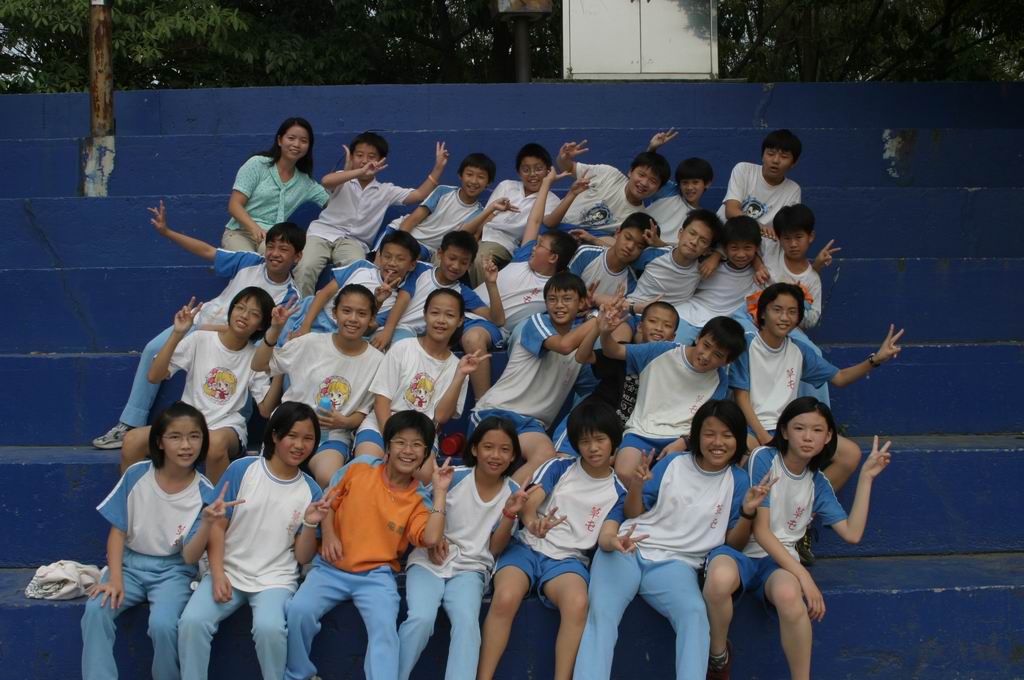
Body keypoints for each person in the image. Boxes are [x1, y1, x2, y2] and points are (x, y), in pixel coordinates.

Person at [574, 400, 775, 680]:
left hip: (677, 564)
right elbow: (633, 512)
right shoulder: (674, 463)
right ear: (697, 436)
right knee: (602, 615)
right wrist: (637, 487)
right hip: (628, 547)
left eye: (727, 435)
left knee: (695, 615)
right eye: (709, 434)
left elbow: (733, 545)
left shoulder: (739, 480)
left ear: (739, 439)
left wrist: (747, 512)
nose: (718, 442)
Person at [702, 398, 893, 680]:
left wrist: (866, 478)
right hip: (740, 553)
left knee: (790, 597)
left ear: (828, 437)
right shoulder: (764, 458)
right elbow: (761, 532)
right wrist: (805, 577)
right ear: (784, 431)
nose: (807, 437)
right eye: (799, 428)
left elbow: (852, 534)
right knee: (719, 580)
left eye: (817, 430)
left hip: (778, 564)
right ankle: (719, 657)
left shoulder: (818, 483)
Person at [92, 204, 302, 451]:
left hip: (236, 340)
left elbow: (261, 338)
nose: (274, 253)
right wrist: (167, 232)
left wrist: (215, 330)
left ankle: (231, 436)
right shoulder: (249, 261)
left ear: (297, 257)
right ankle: (130, 423)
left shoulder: (291, 296)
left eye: (283, 249)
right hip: (199, 322)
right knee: (152, 349)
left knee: (243, 369)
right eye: (271, 246)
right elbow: (207, 251)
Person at [285, 410, 451, 680]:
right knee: (298, 612)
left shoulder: (419, 499)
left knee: (385, 629)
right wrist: (329, 535)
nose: (408, 451)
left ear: (425, 454)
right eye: (400, 442)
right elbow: (328, 502)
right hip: (330, 568)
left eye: (417, 445)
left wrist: (440, 492)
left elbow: (430, 538)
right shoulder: (360, 467)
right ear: (387, 446)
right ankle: (299, 675)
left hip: (376, 575)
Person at [177, 402, 327, 680]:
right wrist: (218, 573)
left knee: (270, 629)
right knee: (192, 623)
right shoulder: (243, 469)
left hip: (275, 579)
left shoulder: (311, 489)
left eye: (308, 438)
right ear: (275, 436)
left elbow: (303, 557)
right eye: (292, 436)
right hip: (228, 571)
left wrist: (309, 523)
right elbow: (218, 526)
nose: (299, 445)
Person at [477, 402, 627, 680]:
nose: (593, 448)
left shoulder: (619, 492)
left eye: (600, 440)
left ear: (613, 441)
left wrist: (614, 542)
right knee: (506, 597)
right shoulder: (559, 466)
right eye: (585, 441)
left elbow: (607, 533)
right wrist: (533, 522)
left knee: (577, 603)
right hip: (526, 547)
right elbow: (531, 501)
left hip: (568, 560)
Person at [81, 402, 217, 680]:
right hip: (129, 565)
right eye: (175, 437)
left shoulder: (205, 491)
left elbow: (190, 557)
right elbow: (117, 532)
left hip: (174, 570)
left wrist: (207, 523)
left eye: (194, 436)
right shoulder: (137, 475)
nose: (186, 445)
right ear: (159, 442)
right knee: (96, 610)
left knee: (163, 625)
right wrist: (114, 579)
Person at [731, 282, 904, 495]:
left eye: (792, 312)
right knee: (754, 459)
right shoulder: (747, 345)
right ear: (763, 313)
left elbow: (840, 378)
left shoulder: (800, 350)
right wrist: (765, 439)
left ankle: (805, 507)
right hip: (750, 428)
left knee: (850, 454)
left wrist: (875, 360)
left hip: (787, 429)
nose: (784, 317)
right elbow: (741, 396)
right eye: (777, 310)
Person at [398, 416, 530, 680]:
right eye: (488, 447)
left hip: (471, 569)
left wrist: (509, 513)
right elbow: (419, 514)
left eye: (505, 449)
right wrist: (432, 536)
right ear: (474, 449)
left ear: (514, 455)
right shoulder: (453, 477)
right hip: (429, 562)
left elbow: (494, 549)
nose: (495, 455)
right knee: (421, 619)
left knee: (468, 624)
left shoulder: (513, 491)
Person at [119, 288, 279, 483]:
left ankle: (218, 502)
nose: (244, 315)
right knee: (132, 440)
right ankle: (134, 500)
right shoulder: (200, 339)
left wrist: (279, 369)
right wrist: (177, 333)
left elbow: (265, 409)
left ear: (261, 325)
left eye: (254, 314)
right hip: (187, 421)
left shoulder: (256, 357)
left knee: (215, 444)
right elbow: (154, 376)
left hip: (226, 427)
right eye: (240, 308)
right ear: (231, 310)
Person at [470, 271, 598, 485]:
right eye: (552, 299)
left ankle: (507, 501)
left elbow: (591, 381)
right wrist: (597, 317)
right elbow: (564, 346)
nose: (559, 305)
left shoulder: (582, 350)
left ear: (582, 303)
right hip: (497, 411)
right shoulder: (537, 322)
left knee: (546, 455)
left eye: (567, 299)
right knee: (490, 469)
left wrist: (603, 325)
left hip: (532, 425)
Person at [461, 167, 579, 399]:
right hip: (461, 306)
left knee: (473, 338)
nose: (534, 246)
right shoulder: (524, 256)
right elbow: (534, 220)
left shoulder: (556, 289)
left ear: (553, 258)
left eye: (540, 245)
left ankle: (481, 404)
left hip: (489, 327)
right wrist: (546, 184)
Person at [252, 284, 384, 488]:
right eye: (346, 311)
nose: (353, 319)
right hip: (290, 426)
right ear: (334, 313)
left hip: (331, 435)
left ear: (372, 318)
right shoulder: (310, 342)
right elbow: (259, 365)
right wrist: (275, 329)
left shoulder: (377, 361)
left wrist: (345, 422)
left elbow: (362, 411)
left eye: (361, 313)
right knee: (270, 480)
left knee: (329, 478)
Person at [599, 298, 746, 479]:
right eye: (706, 345)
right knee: (625, 472)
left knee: (673, 481)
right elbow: (613, 351)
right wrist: (605, 333)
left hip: (682, 440)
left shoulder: (720, 380)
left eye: (717, 355)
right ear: (698, 337)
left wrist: (684, 442)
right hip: (642, 431)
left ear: (727, 361)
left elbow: (708, 421)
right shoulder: (662, 350)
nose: (706, 356)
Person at [293, 133, 449, 297]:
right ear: (352, 157)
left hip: (354, 242)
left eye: (371, 156)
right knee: (305, 267)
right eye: (359, 155)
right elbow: (326, 181)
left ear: (381, 160)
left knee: (359, 274)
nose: (365, 160)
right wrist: (358, 171)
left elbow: (418, 195)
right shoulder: (343, 177)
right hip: (321, 234)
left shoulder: (385, 190)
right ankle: (302, 309)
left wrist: (438, 168)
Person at [353, 289, 487, 462]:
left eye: (449, 315)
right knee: (366, 463)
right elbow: (381, 402)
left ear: (460, 320)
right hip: (382, 425)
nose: (441, 320)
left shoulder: (459, 366)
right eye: (435, 313)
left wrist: (460, 374)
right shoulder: (402, 348)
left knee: (422, 473)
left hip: (423, 433)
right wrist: (392, 441)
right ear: (425, 315)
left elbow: (441, 417)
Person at [551, 300, 680, 457]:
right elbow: (582, 357)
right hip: (590, 419)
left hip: (620, 436)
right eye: (653, 321)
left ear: (673, 336)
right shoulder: (623, 351)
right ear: (640, 327)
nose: (659, 328)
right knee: (563, 460)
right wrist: (598, 328)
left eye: (667, 325)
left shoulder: (673, 369)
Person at [284, 229, 421, 340]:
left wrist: (378, 302)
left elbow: (366, 331)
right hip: (315, 315)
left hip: (338, 333)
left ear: (412, 265)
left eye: (400, 259)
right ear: (379, 256)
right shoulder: (361, 267)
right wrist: (305, 327)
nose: (392, 263)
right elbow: (324, 294)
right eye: (387, 256)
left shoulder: (394, 303)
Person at [375, 230, 502, 349]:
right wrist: (387, 331)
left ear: (470, 265)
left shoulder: (463, 293)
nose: (456, 266)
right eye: (452, 258)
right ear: (440, 253)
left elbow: (498, 320)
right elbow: (402, 300)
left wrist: (491, 283)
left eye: (463, 262)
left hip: (414, 338)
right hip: (390, 327)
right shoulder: (420, 270)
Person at [221, 116, 329, 252]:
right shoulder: (258, 164)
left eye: (303, 141)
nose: (296, 144)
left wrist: (347, 173)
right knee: (247, 260)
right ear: (279, 140)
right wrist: (255, 229)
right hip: (240, 233)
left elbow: (332, 203)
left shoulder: (306, 183)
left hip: (273, 240)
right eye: (291, 138)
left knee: (277, 258)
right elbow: (234, 205)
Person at [471, 143, 560, 286]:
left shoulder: (552, 200)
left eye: (538, 169)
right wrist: (472, 240)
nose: (532, 174)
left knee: (479, 262)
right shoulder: (506, 185)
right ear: (519, 172)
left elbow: (546, 223)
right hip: (483, 237)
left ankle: (486, 299)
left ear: (548, 171)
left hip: (505, 244)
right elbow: (487, 217)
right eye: (526, 169)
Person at [546, 140, 670, 240]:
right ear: (630, 172)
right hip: (555, 224)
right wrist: (563, 158)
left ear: (658, 189)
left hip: (578, 244)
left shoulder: (638, 219)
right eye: (641, 175)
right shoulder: (609, 173)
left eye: (653, 181)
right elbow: (567, 168)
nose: (644, 183)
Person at [382, 152, 495, 259]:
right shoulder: (443, 191)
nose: (474, 181)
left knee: (401, 261)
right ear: (460, 175)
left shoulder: (479, 214)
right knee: (380, 261)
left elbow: (462, 237)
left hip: (426, 249)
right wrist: (400, 243)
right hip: (400, 232)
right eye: (469, 174)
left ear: (489, 182)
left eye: (481, 177)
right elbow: (413, 219)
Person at [675, 216, 762, 345]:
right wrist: (716, 256)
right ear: (724, 248)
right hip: (688, 315)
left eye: (747, 248)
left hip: (720, 328)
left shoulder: (759, 275)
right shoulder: (709, 264)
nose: (741, 254)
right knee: (670, 349)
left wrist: (759, 266)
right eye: (734, 248)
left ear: (757, 248)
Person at [627, 209, 723, 310]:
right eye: (692, 233)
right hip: (632, 309)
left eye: (703, 241)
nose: (694, 242)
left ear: (707, 250)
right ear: (680, 233)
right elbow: (625, 268)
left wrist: (717, 256)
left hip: (667, 317)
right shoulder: (653, 255)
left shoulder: (703, 269)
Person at [718, 128, 803, 237]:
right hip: (725, 235)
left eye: (784, 157)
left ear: (794, 163)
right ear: (762, 156)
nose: (776, 160)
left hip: (757, 243)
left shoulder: (793, 189)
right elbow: (731, 210)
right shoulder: (744, 170)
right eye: (770, 154)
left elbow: (786, 230)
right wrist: (758, 226)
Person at [567, 211, 649, 297]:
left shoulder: (631, 284)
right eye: (628, 238)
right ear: (618, 232)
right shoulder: (585, 254)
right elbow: (565, 289)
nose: (630, 246)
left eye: (639, 246)